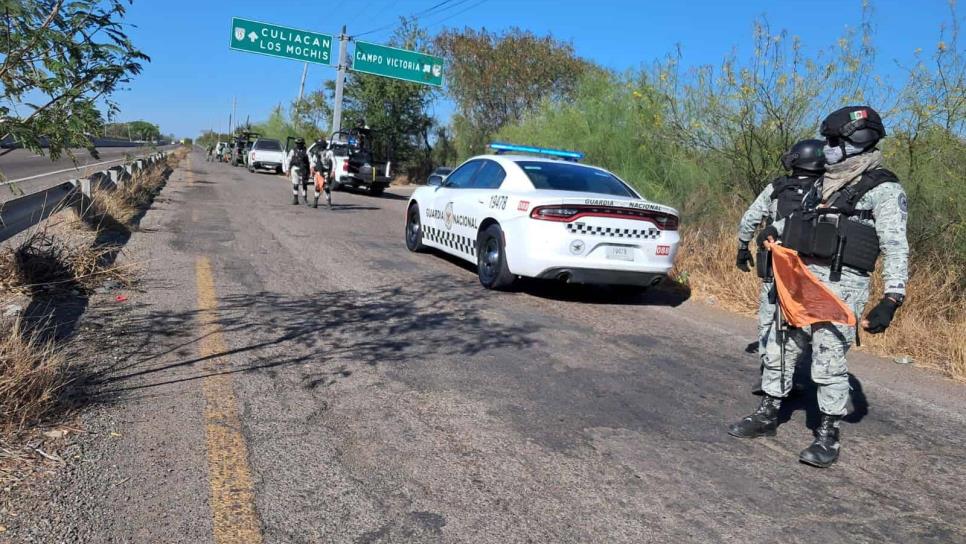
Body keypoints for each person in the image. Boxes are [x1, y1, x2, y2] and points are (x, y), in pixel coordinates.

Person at [729, 106, 909, 468]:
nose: (826, 148)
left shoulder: (883, 188)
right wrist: (772, 232)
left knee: (828, 358)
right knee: (780, 345)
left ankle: (828, 433)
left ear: (856, 141)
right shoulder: (823, 181)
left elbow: (895, 244)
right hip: (799, 278)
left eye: (833, 141)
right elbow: (796, 219)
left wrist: (892, 296)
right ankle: (768, 412)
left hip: (842, 285)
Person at [735, 139, 826, 395]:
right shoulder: (829, 190)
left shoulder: (778, 187)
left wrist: (742, 247)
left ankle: (770, 374)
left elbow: (751, 219)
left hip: (777, 265)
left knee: (769, 320)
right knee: (806, 322)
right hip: (812, 269)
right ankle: (796, 373)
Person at [287, 137, 310, 205]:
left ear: (303, 144)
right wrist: (287, 170)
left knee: (304, 184)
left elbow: (311, 160)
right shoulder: (292, 151)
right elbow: (288, 160)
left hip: (304, 169)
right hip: (295, 168)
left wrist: (311, 169)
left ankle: (305, 198)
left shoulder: (307, 151)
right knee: (295, 184)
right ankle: (295, 199)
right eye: (297, 143)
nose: (299, 145)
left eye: (300, 143)